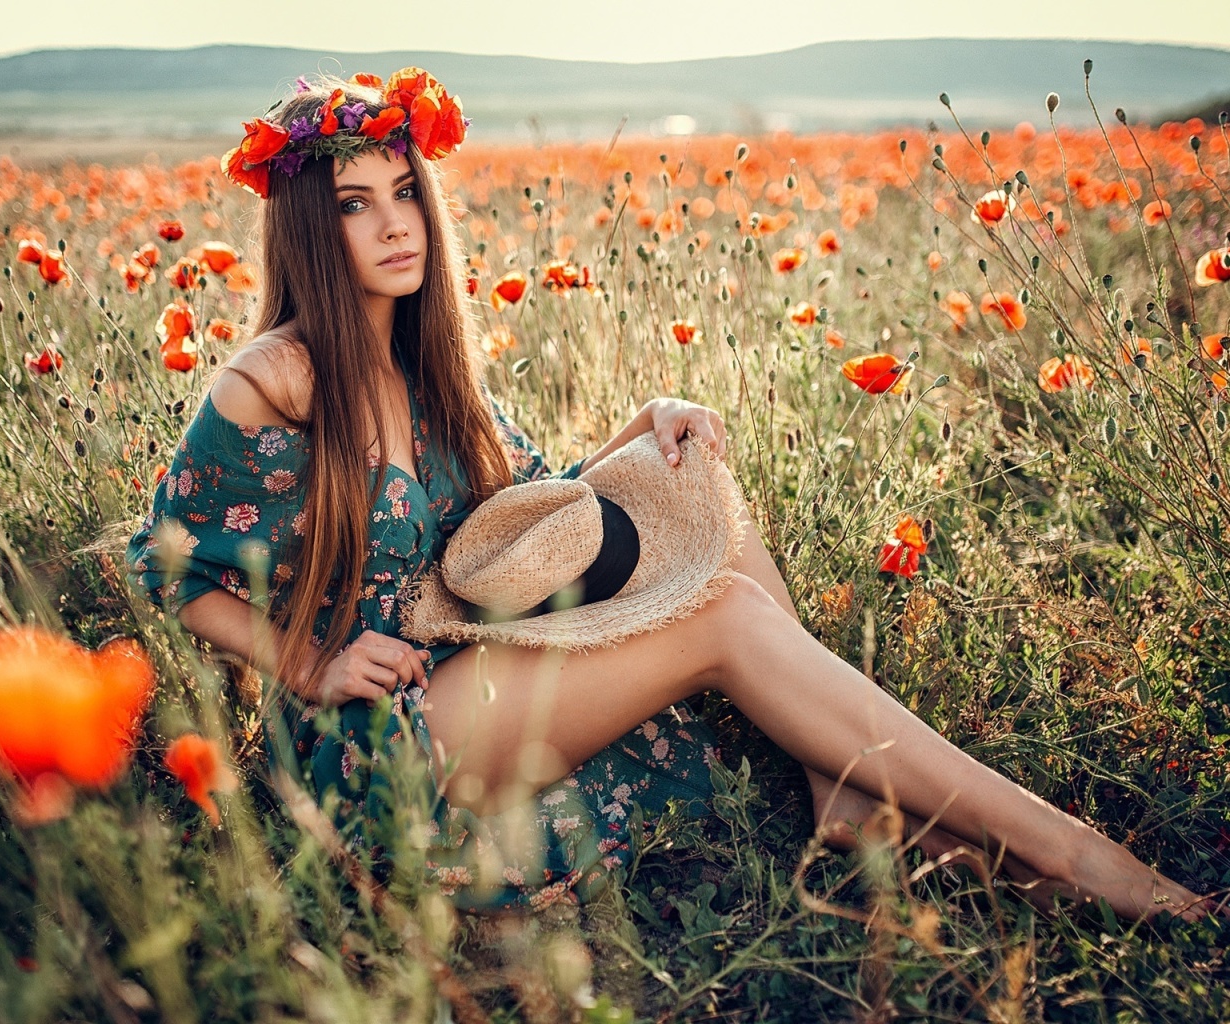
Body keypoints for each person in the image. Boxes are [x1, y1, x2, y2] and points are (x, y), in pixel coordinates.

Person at [127, 70, 1220, 922]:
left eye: (405, 193)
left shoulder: (426, 367)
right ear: (315, 228)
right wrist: (309, 664)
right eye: (356, 205)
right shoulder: (279, 375)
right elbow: (159, 560)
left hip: (478, 664)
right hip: (386, 737)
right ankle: (1071, 855)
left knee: (686, 475)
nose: (394, 224)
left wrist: (644, 424)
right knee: (721, 611)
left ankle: (842, 790)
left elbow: (529, 518)